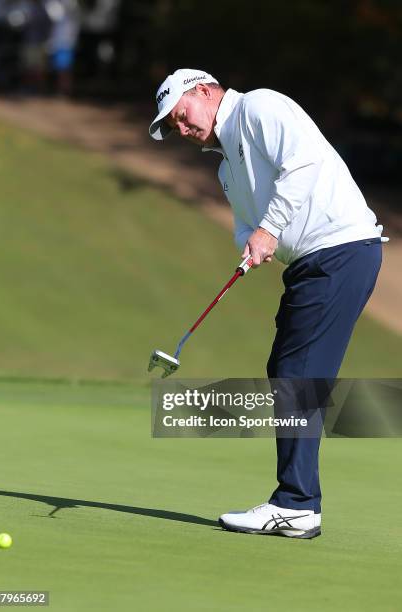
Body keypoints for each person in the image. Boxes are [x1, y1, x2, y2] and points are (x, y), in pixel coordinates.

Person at [149, 69, 387, 539]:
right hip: (311, 263)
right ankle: (298, 501)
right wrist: (252, 242)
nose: (181, 128)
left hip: (340, 250)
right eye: (173, 126)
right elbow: (247, 224)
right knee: (287, 369)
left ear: (203, 91)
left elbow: (303, 165)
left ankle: (296, 504)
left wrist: (268, 230)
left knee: (298, 373)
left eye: (181, 116)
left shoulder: (259, 106)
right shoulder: (223, 167)